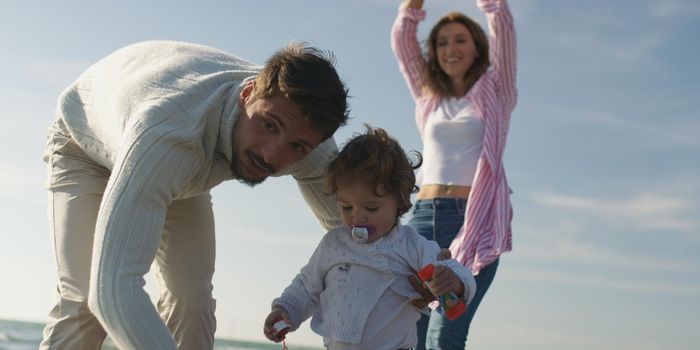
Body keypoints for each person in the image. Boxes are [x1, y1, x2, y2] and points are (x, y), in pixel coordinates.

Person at [40, 40, 350, 350]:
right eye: (268, 124)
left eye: (296, 147)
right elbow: (112, 291)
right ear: (247, 95)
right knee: (84, 301)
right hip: (86, 142)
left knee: (192, 302)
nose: (270, 155)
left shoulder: (312, 143)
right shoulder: (170, 135)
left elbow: (361, 239)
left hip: (181, 167)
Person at [263, 126, 477, 350]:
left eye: (371, 208)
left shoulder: (411, 245)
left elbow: (452, 268)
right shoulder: (333, 244)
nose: (357, 216)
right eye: (346, 207)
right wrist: (284, 311)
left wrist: (456, 282)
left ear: (400, 203)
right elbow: (306, 288)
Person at [391, 0, 517, 348]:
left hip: (471, 222)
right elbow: (403, 38)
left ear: (478, 46)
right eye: (442, 42)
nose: (450, 48)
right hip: (422, 217)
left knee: (445, 333)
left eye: (460, 39)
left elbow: (503, 22)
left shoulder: (497, 91)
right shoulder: (428, 97)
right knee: (410, 329)